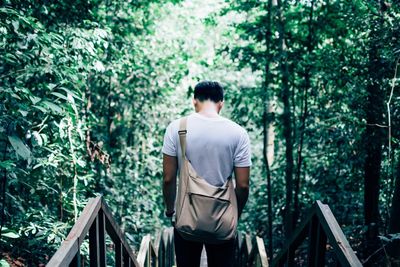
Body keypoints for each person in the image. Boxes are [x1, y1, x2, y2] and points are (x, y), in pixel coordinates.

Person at [162, 81, 251, 267]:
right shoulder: (238, 133)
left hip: (186, 220)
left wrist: (170, 210)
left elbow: (168, 178)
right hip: (223, 222)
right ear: (221, 103)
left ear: (194, 101)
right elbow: (242, 185)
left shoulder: (176, 129)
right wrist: (236, 214)